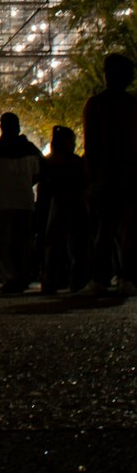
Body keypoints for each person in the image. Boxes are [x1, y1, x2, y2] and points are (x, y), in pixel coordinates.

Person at [81, 53, 137, 296]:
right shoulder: (131, 105)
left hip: (108, 176)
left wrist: (93, 178)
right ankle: (126, 278)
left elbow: (91, 144)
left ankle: (101, 279)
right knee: (128, 231)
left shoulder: (97, 105)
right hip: (129, 175)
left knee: (105, 230)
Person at [0, 112, 42, 293]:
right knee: (23, 241)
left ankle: (10, 275)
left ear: (2, 127)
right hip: (25, 200)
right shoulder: (30, 149)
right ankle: (23, 275)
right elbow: (39, 173)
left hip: (1, 201)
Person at [37, 125, 88, 294]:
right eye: (71, 141)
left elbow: (43, 188)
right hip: (71, 205)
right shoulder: (75, 162)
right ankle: (75, 280)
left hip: (59, 205)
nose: (73, 144)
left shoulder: (50, 162)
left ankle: (52, 280)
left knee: (55, 245)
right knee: (75, 245)